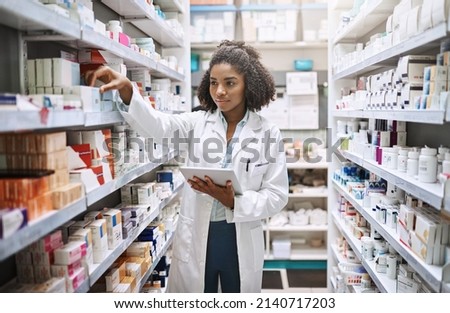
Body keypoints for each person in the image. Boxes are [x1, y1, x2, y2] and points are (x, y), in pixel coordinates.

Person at [86, 40, 289, 293]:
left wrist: (234, 201)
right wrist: (129, 91)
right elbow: (160, 126)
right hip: (198, 236)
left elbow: (277, 195)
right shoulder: (197, 123)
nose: (220, 92)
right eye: (214, 82)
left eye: (230, 83)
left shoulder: (267, 132)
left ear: (249, 84)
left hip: (239, 236)